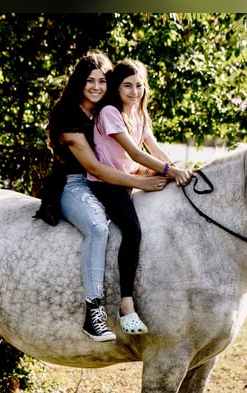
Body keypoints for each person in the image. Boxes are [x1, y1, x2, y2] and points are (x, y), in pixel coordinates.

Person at [44, 51, 170, 342]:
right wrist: (141, 181)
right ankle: (93, 312)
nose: (97, 87)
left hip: (106, 182)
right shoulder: (68, 115)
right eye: (90, 81)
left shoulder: (105, 111)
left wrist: (154, 172)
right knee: (98, 228)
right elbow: (94, 167)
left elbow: (122, 158)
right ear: (79, 83)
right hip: (74, 184)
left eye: (102, 81)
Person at [89, 59, 192, 335]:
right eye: (127, 86)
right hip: (107, 183)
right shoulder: (110, 112)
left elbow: (154, 148)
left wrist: (178, 169)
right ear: (117, 88)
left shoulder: (140, 115)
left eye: (139, 85)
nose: (135, 92)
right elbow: (135, 153)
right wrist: (170, 170)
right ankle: (126, 305)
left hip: (129, 179)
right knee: (132, 231)